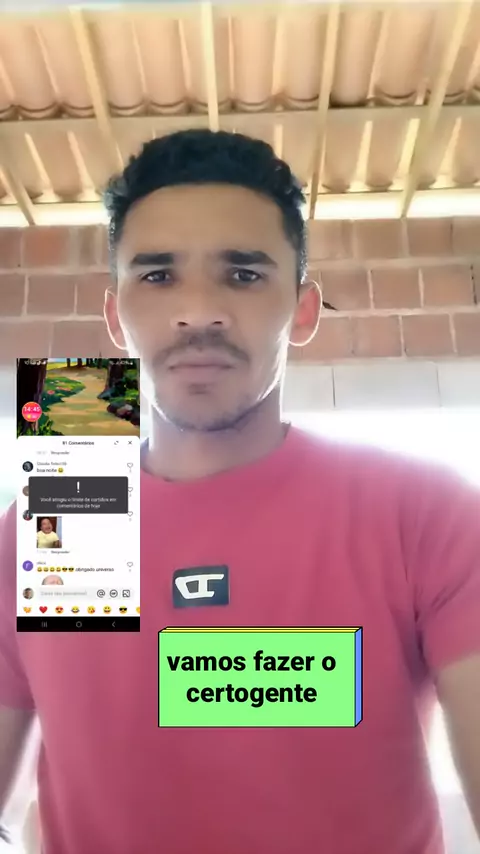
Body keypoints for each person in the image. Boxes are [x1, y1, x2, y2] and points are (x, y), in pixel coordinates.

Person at [0, 129, 479, 854]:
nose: (199, 311)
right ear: (115, 319)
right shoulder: (62, 512)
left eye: (244, 274)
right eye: (158, 276)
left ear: (304, 310)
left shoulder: (423, 511)